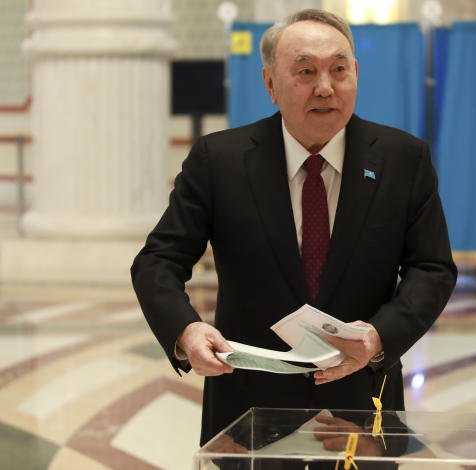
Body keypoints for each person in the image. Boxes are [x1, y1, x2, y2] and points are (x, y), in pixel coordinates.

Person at [131, 8, 457, 446]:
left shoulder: (403, 159)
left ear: (355, 73)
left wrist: (380, 336)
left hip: (361, 401)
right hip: (245, 410)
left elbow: (432, 268)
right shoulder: (219, 161)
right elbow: (158, 261)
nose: (325, 87)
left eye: (339, 70)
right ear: (270, 84)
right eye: (305, 71)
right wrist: (186, 330)